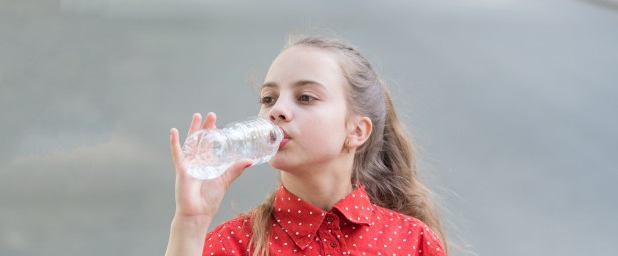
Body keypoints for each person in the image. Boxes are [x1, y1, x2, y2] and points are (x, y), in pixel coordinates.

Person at [165, 35, 447, 256]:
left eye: (305, 97)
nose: (277, 110)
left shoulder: (413, 241)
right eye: (268, 99)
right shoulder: (231, 245)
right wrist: (190, 222)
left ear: (357, 131)